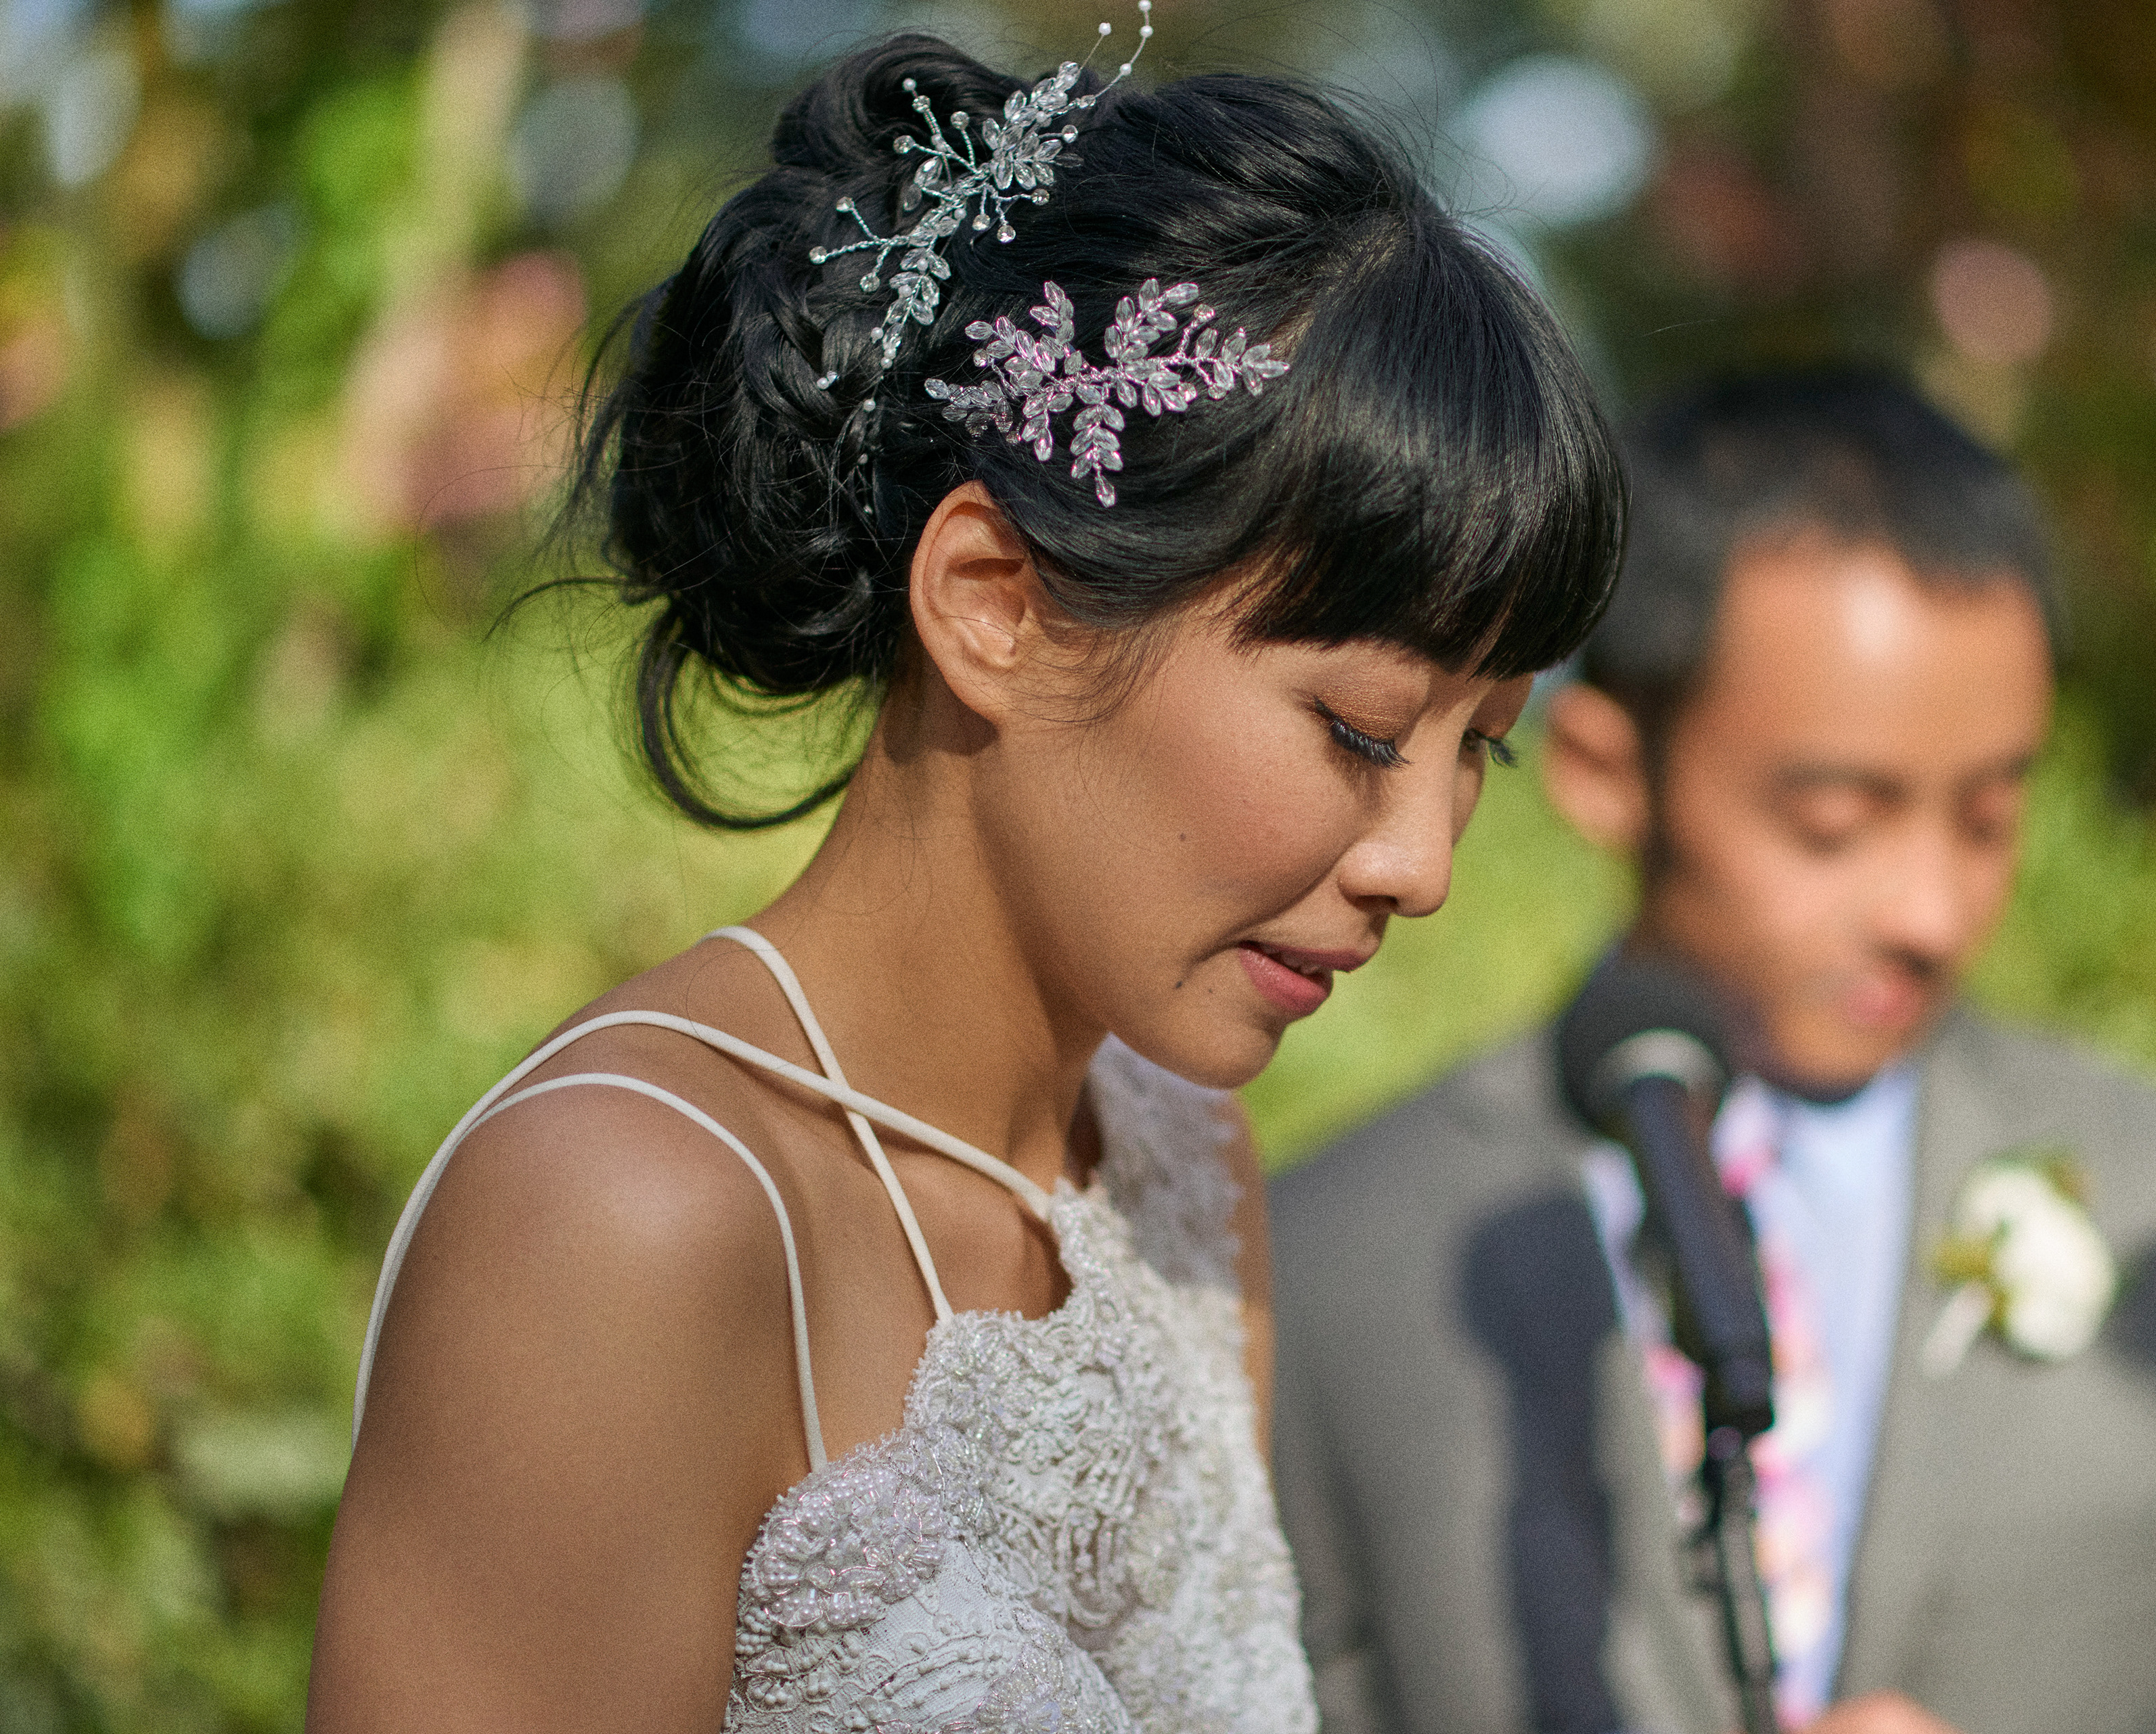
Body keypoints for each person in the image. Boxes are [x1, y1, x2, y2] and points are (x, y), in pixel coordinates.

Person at [305, 18, 1623, 1731]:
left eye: (1481, 749)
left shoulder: (1181, 1176)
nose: (1424, 863)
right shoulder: (628, 1214)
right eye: (1363, 730)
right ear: (994, 601)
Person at [1268, 372, 2156, 1734]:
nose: (1931, 913)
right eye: (1835, 822)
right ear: (1605, 771)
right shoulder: (1329, 1264)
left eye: (1990, 816)